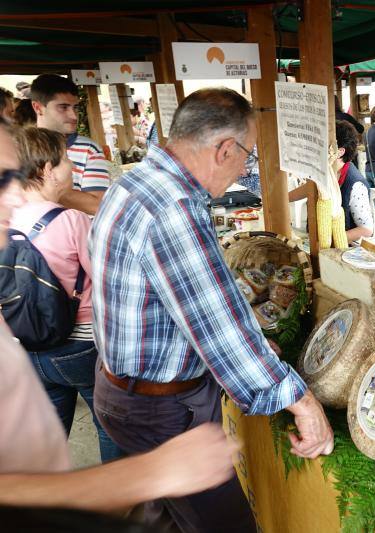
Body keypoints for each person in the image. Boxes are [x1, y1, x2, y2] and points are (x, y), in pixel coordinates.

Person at [90, 88, 333, 533]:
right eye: (247, 156)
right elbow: (219, 330)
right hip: (159, 411)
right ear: (224, 149)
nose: (245, 168)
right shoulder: (174, 208)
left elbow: (173, 305)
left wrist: (257, 341)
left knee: (167, 516)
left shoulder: (136, 182)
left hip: (122, 392)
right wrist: (303, 401)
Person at [0, 121, 250, 517]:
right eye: (1, 179)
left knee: (58, 437)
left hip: (42, 350)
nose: (14, 195)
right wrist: (145, 475)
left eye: (12, 175)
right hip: (83, 353)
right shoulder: (72, 219)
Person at [10, 127, 122, 463]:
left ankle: (38, 505)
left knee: (49, 435)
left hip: (28, 346)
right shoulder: (71, 220)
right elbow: (106, 278)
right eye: (65, 162)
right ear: (46, 169)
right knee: (109, 427)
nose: (71, 170)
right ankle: (117, 507)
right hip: (79, 346)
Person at [30, 74, 109, 215]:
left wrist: (35, 185)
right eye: (63, 107)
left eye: (75, 107)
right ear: (38, 108)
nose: (73, 116)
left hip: (76, 233)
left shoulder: (89, 149)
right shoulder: (16, 147)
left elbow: (98, 206)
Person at [290, 120, 373, 242]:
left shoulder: (356, 184)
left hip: (345, 248)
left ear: (340, 152)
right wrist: (283, 198)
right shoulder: (325, 172)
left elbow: (366, 230)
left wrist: (332, 240)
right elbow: (310, 187)